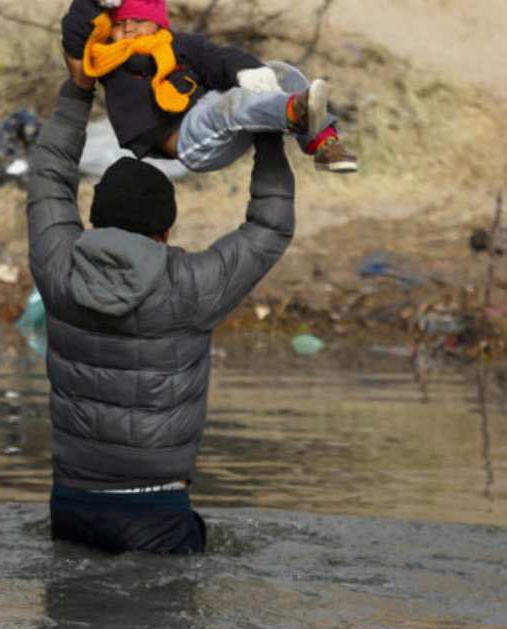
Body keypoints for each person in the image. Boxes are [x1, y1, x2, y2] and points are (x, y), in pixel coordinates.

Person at [25, 73, 295, 554]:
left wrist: (78, 88)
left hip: (70, 504)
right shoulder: (193, 286)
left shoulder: (57, 265)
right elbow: (270, 226)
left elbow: (49, 174)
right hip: (155, 513)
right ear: (165, 230)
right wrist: (269, 129)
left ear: (95, 219)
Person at [62, 0, 358, 173]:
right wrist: (88, 2)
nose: (128, 29)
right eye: (119, 23)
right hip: (192, 143)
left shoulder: (180, 45)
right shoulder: (107, 63)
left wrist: (248, 71)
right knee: (225, 104)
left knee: (280, 70)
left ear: (158, 23)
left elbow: (218, 57)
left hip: (226, 126)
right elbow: (77, 40)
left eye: (139, 20)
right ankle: (293, 112)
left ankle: (324, 146)